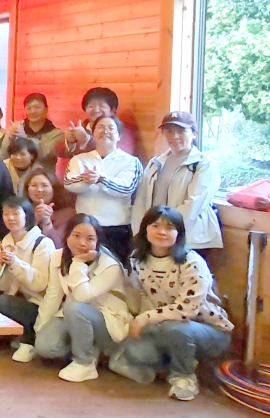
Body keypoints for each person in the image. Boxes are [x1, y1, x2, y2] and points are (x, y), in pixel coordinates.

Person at [116, 207, 233, 401]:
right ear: (145, 229)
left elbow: (187, 310)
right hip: (163, 326)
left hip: (209, 330)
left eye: (169, 228)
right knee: (135, 351)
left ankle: (184, 377)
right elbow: (141, 297)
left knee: (175, 328)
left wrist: (144, 318)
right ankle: (178, 362)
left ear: (179, 233)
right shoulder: (138, 259)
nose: (162, 232)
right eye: (155, 226)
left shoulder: (191, 262)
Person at [34, 214, 130, 383]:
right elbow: (53, 295)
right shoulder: (58, 257)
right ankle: (91, 348)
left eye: (90, 239)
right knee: (44, 347)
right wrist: (40, 328)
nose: (82, 243)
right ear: (67, 235)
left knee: (75, 307)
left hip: (107, 319)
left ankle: (84, 363)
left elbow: (82, 296)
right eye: (76, 236)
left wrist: (78, 263)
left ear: (98, 242)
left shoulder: (109, 265)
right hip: (73, 314)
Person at [131, 111, 222, 250]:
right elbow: (141, 200)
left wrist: (169, 232)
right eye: (169, 131)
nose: (175, 136)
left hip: (189, 240)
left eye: (181, 131)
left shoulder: (205, 165)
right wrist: (141, 231)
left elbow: (194, 204)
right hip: (155, 239)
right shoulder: (155, 163)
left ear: (194, 134)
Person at [64, 116, 142, 262]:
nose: (105, 131)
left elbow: (127, 187)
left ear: (119, 135)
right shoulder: (79, 159)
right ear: (93, 134)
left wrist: (101, 179)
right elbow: (68, 182)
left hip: (117, 228)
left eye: (111, 128)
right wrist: (85, 179)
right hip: (84, 228)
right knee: (82, 267)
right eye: (100, 128)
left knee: (116, 269)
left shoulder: (131, 161)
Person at [0, 196, 55, 363]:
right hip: (12, 300)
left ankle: (28, 340)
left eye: (16, 213)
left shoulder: (42, 243)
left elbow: (40, 283)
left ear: (27, 216)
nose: (10, 218)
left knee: (4, 301)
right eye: (6, 214)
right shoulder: (2, 244)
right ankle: (16, 336)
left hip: (36, 303)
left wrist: (15, 263)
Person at [56, 87, 138, 160]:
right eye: (91, 106)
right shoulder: (81, 127)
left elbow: (116, 155)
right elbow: (59, 151)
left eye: (102, 106)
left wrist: (87, 140)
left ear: (112, 110)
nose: (96, 110)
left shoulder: (119, 130)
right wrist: (69, 141)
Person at [0, 93, 65, 171]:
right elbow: (3, 156)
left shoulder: (57, 133)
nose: (33, 111)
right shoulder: (17, 128)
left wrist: (25, 138)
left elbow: (46, 153)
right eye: (28, 108)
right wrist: (10, 138)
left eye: (37, 107)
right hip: (16, 175)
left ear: (46, 109)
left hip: (42, 176)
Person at [22, 167, 75, 248]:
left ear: (54, 188)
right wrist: (35, 220)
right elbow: (19, 242)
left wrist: (47, 222)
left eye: (45, 185)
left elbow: (59, 246)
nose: (39, 190)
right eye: (34, 185)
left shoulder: (67, 214)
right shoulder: (21, 211)